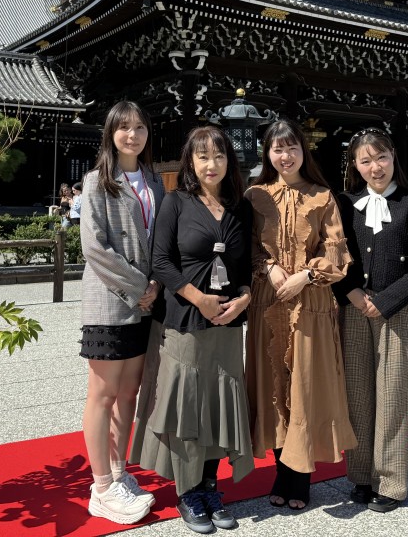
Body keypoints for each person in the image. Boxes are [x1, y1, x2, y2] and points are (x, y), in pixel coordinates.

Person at [132, 126, 254, 534]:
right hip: (186, 319)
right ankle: (188, 493)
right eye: (202, 156)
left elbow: (247, 264)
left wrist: (246, 297)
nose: (211, 164)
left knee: (219, 406)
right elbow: (161, 261)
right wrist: (196, 297)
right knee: (188, 407)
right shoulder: (176, 202)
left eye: (219, 156)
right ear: (190, 162)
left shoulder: (240, 207)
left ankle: (210, 487)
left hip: (227, 322)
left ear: (228, 161)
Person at [244, 119, 357, 511]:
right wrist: (269, 268)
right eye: (277, 149)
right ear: (268, 154)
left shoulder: (323, 197)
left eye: (292, 148)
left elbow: (338, 253)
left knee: (304, 388)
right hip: (269, 302)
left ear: (303, 152)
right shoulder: (256, 196)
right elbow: (248, 249)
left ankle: (300, 478)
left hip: (310, 303)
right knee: (274, 384)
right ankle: (280, 471)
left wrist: (306, 275)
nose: (285, 155)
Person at [334, 128, 408, 513]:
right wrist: (351, 292)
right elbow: (335, 256)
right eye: (365, 160)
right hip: (353, 309)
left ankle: (392, 482)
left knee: (393, 396)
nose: (375, 167)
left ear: (393, 156)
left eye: (380, 157)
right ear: (355, 165)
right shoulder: (346, 203)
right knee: (359, 395)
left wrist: (388, 300)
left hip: (396, 311)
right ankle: (361, 475)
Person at [79, 100, 165, 525]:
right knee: (103, 393)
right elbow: (94, 247)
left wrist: (157, 285)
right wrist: (140, 287)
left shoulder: (154, 181)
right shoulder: (98, 181)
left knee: (129, 392)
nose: (133, 135)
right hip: (110, 302)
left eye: (140, 127)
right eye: (124, 127)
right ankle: (99, 488)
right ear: (111, 133)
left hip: (146, 301)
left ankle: (117, 472)